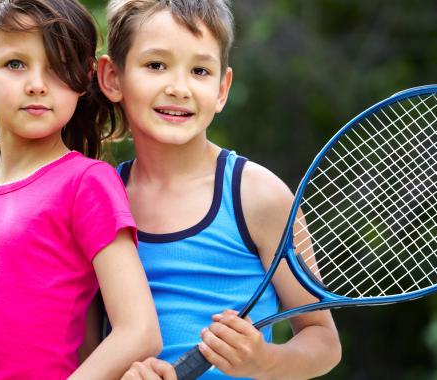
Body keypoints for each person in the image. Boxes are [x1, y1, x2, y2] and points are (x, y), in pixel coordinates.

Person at [95, 0, 342, 378]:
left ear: (222, 88)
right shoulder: (99, 199)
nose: (178, 88)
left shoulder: (257, 196)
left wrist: (264, 360)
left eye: (199, 70)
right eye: (155, 65)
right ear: (113, 77)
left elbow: (323, 339)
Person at [0, 0, 161, 378]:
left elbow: (139, 332)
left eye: (58, 68)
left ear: (84, 79)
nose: (37, 85)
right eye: (15, 64)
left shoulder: (86, 183)